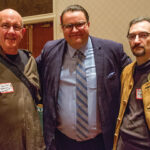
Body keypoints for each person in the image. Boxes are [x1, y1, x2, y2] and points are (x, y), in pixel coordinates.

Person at [36, 4, 131, 150]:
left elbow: (135, 76)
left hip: (101, 141)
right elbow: (31, 75)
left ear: (88, 24)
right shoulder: (50, 50)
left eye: (80, 24)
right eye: (69, 26)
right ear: (62, 28)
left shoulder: (112, 50)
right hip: (61, 141)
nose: (74, 30)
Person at [0, 9, 45, 149]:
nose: (11, 32)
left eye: (16, 27)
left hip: (33, 143)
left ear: (22, 33)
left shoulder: (30, 61)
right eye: (5, 26)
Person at [113, 17, 150, 150]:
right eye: (132, 36)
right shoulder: (127, 71)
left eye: (143, 35)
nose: (136, 41)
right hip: (123, 144)